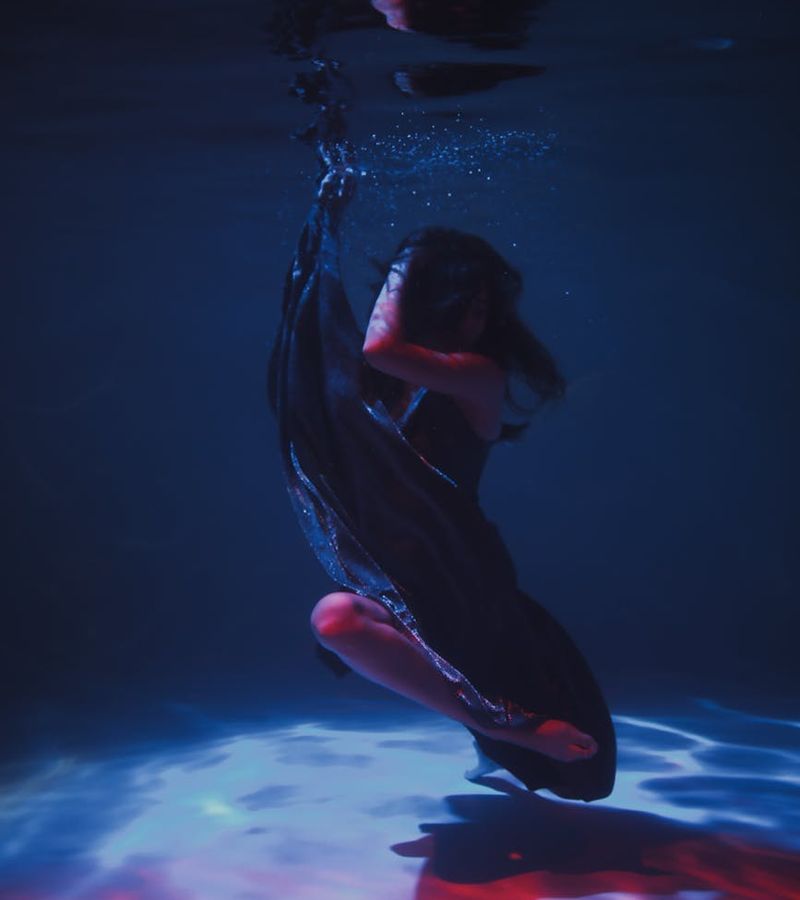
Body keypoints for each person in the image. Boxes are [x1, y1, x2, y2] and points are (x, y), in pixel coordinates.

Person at [267, 136, 617, 801]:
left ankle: (504, 731)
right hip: (391, 574)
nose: (478, 320)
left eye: (488, 308)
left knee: (563, 759)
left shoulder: (477, 377)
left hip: (461, 579)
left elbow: (380, 345)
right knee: (334, 621)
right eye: (464, 303)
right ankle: (499, 731)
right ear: (432, 302)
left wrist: (411, 254)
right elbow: (333, 359)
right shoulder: (374, 391)